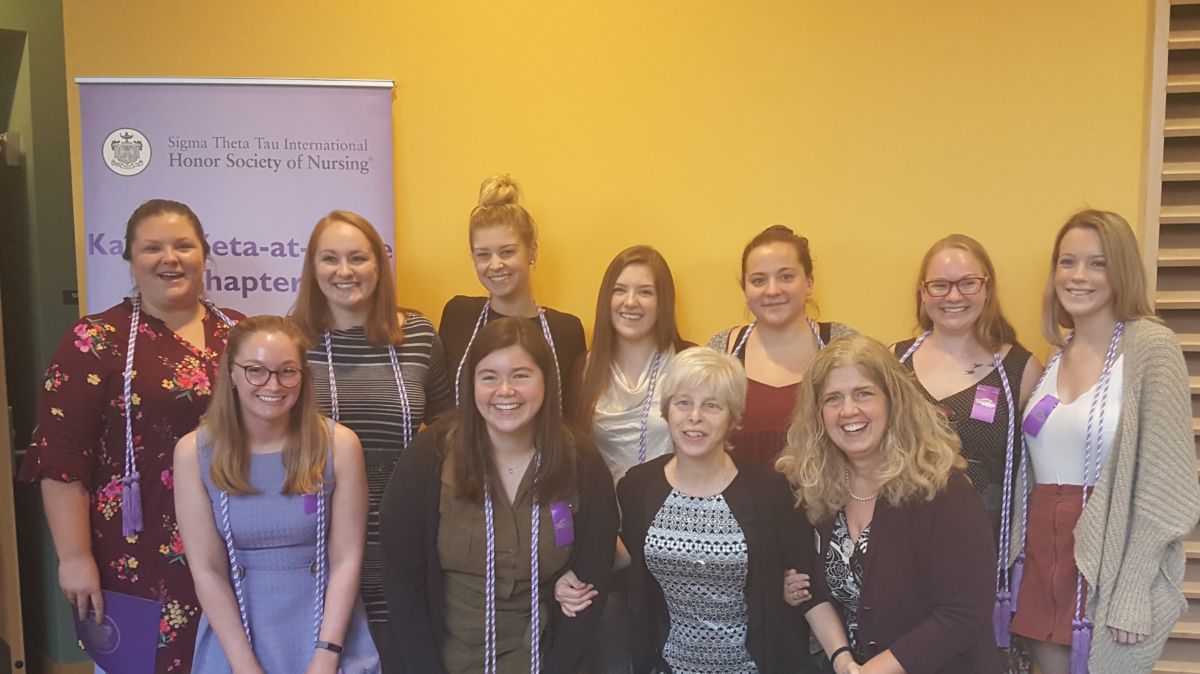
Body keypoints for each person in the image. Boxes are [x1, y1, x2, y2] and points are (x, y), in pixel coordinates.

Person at [18, 199, 242, 673]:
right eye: (152, 248)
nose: (170, 258)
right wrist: (74, 558)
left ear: (204, 253)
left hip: (236, 547)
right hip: (136, 555)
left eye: (184, 245)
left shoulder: (240, 334)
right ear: (129, 260)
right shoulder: (97, 340)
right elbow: (61, 460)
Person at [1008, 210, 1200, 674]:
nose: (1078, 276)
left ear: (1122, 271)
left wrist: (1134, 585)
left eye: (1097, 264)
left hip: (1108, 544)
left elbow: (1168, 483)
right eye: (1067, 262)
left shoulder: (1151, 348)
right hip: (1042, 543)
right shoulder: (1056, 355)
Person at [380, 317, 618, 673]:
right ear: (471, 384)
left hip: (545, 658)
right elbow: (402, 579)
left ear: (546, 382)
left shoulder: (581, 462)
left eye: (521, 375)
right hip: (445, 659)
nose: (504, 391)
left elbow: (592, 574)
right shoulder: (430, 456)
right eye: (489, 376)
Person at [779, 334, 1000, 674]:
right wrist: (842, 659)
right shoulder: (815, 487)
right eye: (833, 399)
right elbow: (810, 585)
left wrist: (874, 670)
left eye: (863, 393)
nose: (848, 410)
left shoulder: (941, 487)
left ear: (892, 400)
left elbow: (964, 612)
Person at [292, 210, 453, 667]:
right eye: (330, 259)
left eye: (358, 258)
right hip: (319, 535)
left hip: (404, 532)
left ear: (379, 266)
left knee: (400, 652)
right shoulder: (291, 343)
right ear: (312, 267)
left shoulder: (418, 335)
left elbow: (450, 431)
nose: (345, 272)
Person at [176, 315, 379, 673]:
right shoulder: (194, 453)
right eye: (256, 370)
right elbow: (207, 570)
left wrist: (327, 655)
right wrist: (243, 665)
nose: (273, 384)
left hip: (325, 631)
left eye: (287, 371)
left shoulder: (339, 446)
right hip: (238, 638)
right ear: (232, 374)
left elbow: (347, 559)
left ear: (303, 375)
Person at [618, 347, 819, 673]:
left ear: (734, 418)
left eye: (711, 405)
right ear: (667, 411)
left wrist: (782, 585)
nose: (695, 416)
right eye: (683, 403)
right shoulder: (638, 486)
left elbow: (803, 577)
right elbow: (628, 563)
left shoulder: (768, 490)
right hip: (667, 665)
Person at [709, 225, 855, 468]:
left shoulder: (842, 343)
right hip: (737, 504)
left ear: (809, 282)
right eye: (758, 280)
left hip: (827, 503)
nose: (772, 290)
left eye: (786, 277)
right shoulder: (721, 350)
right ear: (744, 289)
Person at [438, 175, 586, 415]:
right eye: (483, 255)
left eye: (507, 252)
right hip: (467, 452)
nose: (495, 265)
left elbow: (570, 417)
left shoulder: (566, 331)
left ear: (532, 251)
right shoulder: (459, 316)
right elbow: (441, 411)